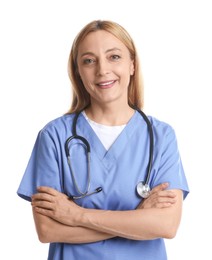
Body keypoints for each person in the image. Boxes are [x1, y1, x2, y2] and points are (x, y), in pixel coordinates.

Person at [17, 20, 189, 260]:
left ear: (132, 65)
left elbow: (165, 226)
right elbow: (47, 230)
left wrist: (76, 215)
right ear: (78, 71)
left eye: (114, 57)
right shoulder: (54, 136)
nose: (102, 70)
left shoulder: (161, 136)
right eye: (89, 60)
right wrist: (136, 219)